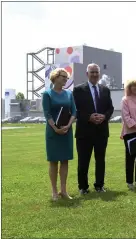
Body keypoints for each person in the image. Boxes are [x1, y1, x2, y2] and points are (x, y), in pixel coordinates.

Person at [73, 63, 114, 195]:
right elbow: (74, 110)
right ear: (87, 74)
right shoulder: (78, 90)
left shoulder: (105, 90)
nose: (95, 74)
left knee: (100, 160)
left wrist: (104, 116)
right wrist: (88, 117)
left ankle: (99, 185)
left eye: (96, 72)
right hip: (84, 132)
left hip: (101, 131)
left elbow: (110, 108)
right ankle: (83, 187)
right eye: (92, 72)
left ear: (99, 74)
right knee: (83, 161)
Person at [42, 68, 77, 201]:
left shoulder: (69, 93)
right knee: (53, 161)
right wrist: (55, 128)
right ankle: (54, 192)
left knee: (65, 160)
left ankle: (64, 191)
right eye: (63, 77)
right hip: (53, 132)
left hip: (66, 131)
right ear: (55, 77)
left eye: (67, 78)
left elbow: (74, 111)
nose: (65, 79)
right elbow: (47, 113)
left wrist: (68, 125)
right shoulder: (47, 94)